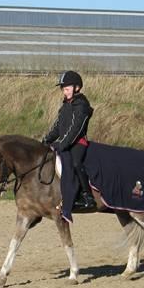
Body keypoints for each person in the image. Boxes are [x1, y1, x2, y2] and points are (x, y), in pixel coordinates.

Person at [41, 70, 96, 209]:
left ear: (76, 88)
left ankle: (87, 196)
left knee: (76, 163)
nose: (64, 92)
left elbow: (75, 129)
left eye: (67, 89)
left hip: (78, 142)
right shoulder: (65, 105)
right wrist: (46, 140)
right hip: (65, 143)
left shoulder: (82, 105)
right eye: (63, 89)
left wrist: (62, 144)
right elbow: (58, 126)